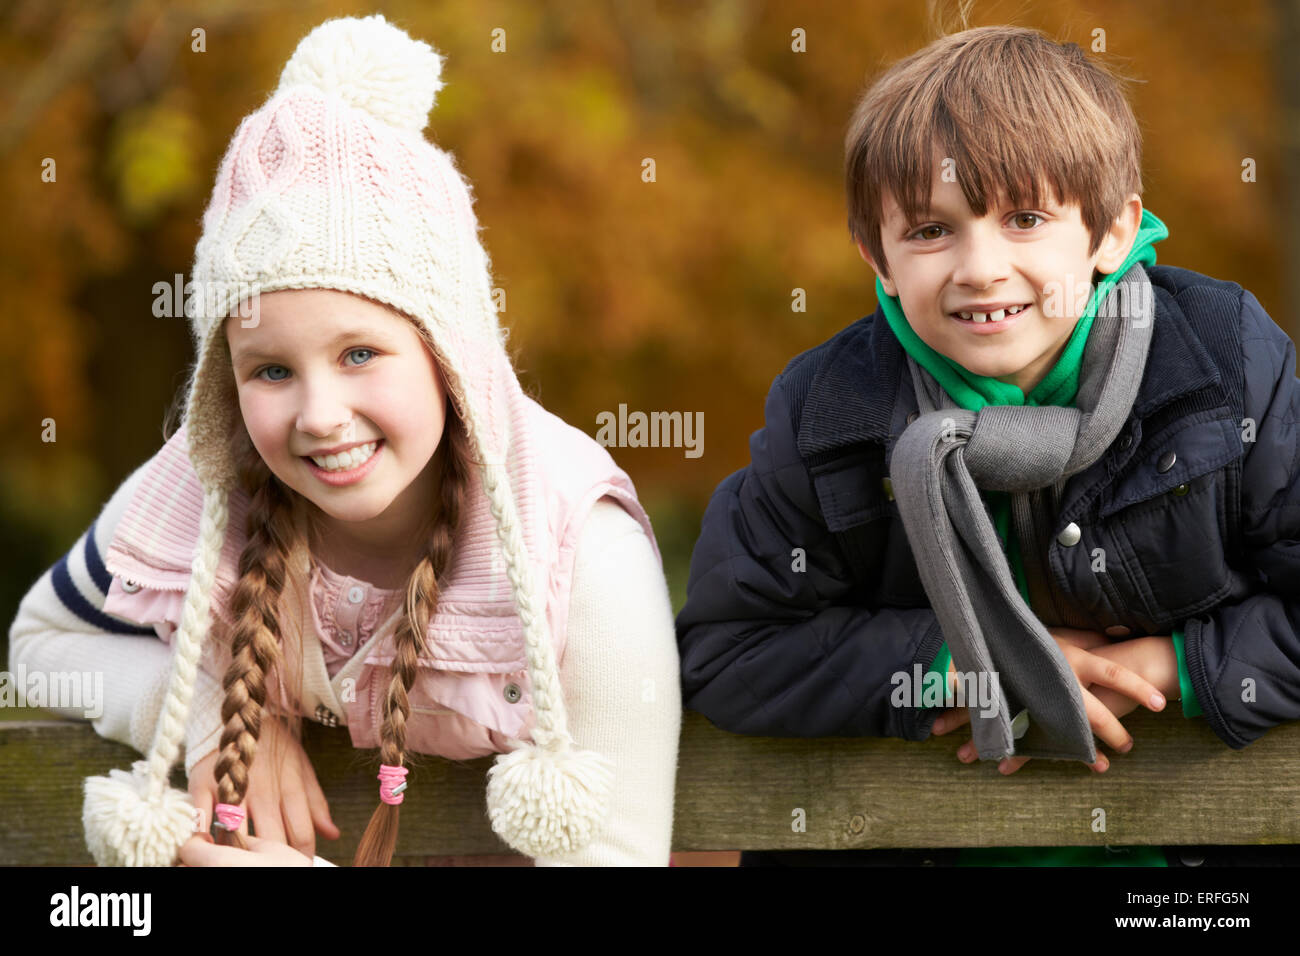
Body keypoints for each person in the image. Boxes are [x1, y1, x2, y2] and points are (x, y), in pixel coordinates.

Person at [8, 14, 679, 867]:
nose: (319, 414)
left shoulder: (583, 555)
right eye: (270, 371)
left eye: (360, 353)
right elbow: (43, 642)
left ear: (448, 353)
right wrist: (220, 719)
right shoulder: (201, 489)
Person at [675, 24, 1300, 867]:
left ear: (1113, 232)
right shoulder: (830, 410)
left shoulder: (1226, 363)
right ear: (877, 255)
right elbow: (729, 649)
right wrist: (966, 663)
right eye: (931, 231)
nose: (979, 266)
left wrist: (1175, 666)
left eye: (1026, 218)